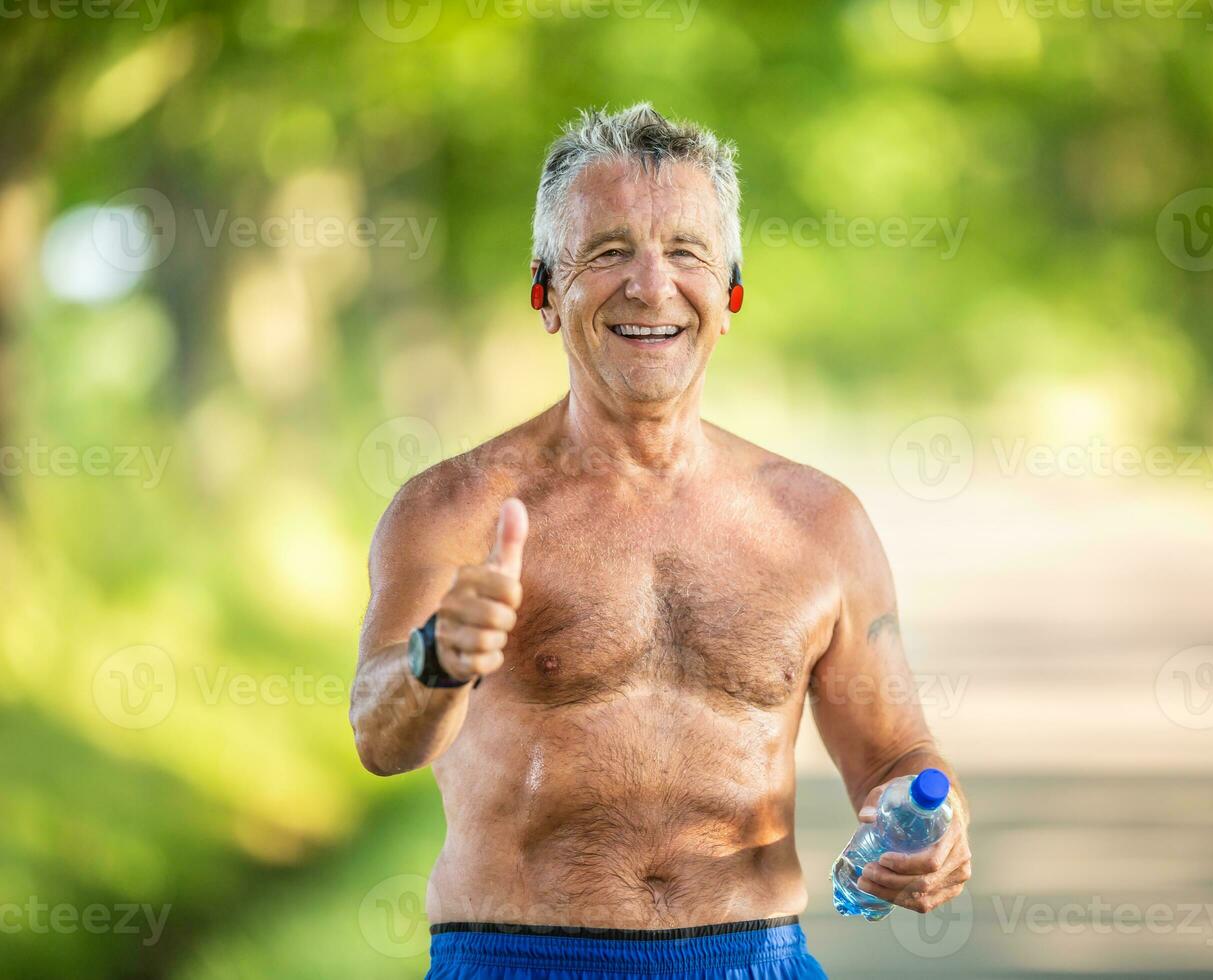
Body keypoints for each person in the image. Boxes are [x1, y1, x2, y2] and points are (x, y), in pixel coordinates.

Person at [349, 103, 971, 979]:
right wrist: (438, 657)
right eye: (607, 253)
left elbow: (896, 755)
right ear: (543, 292)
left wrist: (928, 819)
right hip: (515, 958)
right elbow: (381, 739)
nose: (650, 285)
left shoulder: (820, 522)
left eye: (686, 253)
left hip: (758, 958)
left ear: (731, 298)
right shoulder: (453, 509)